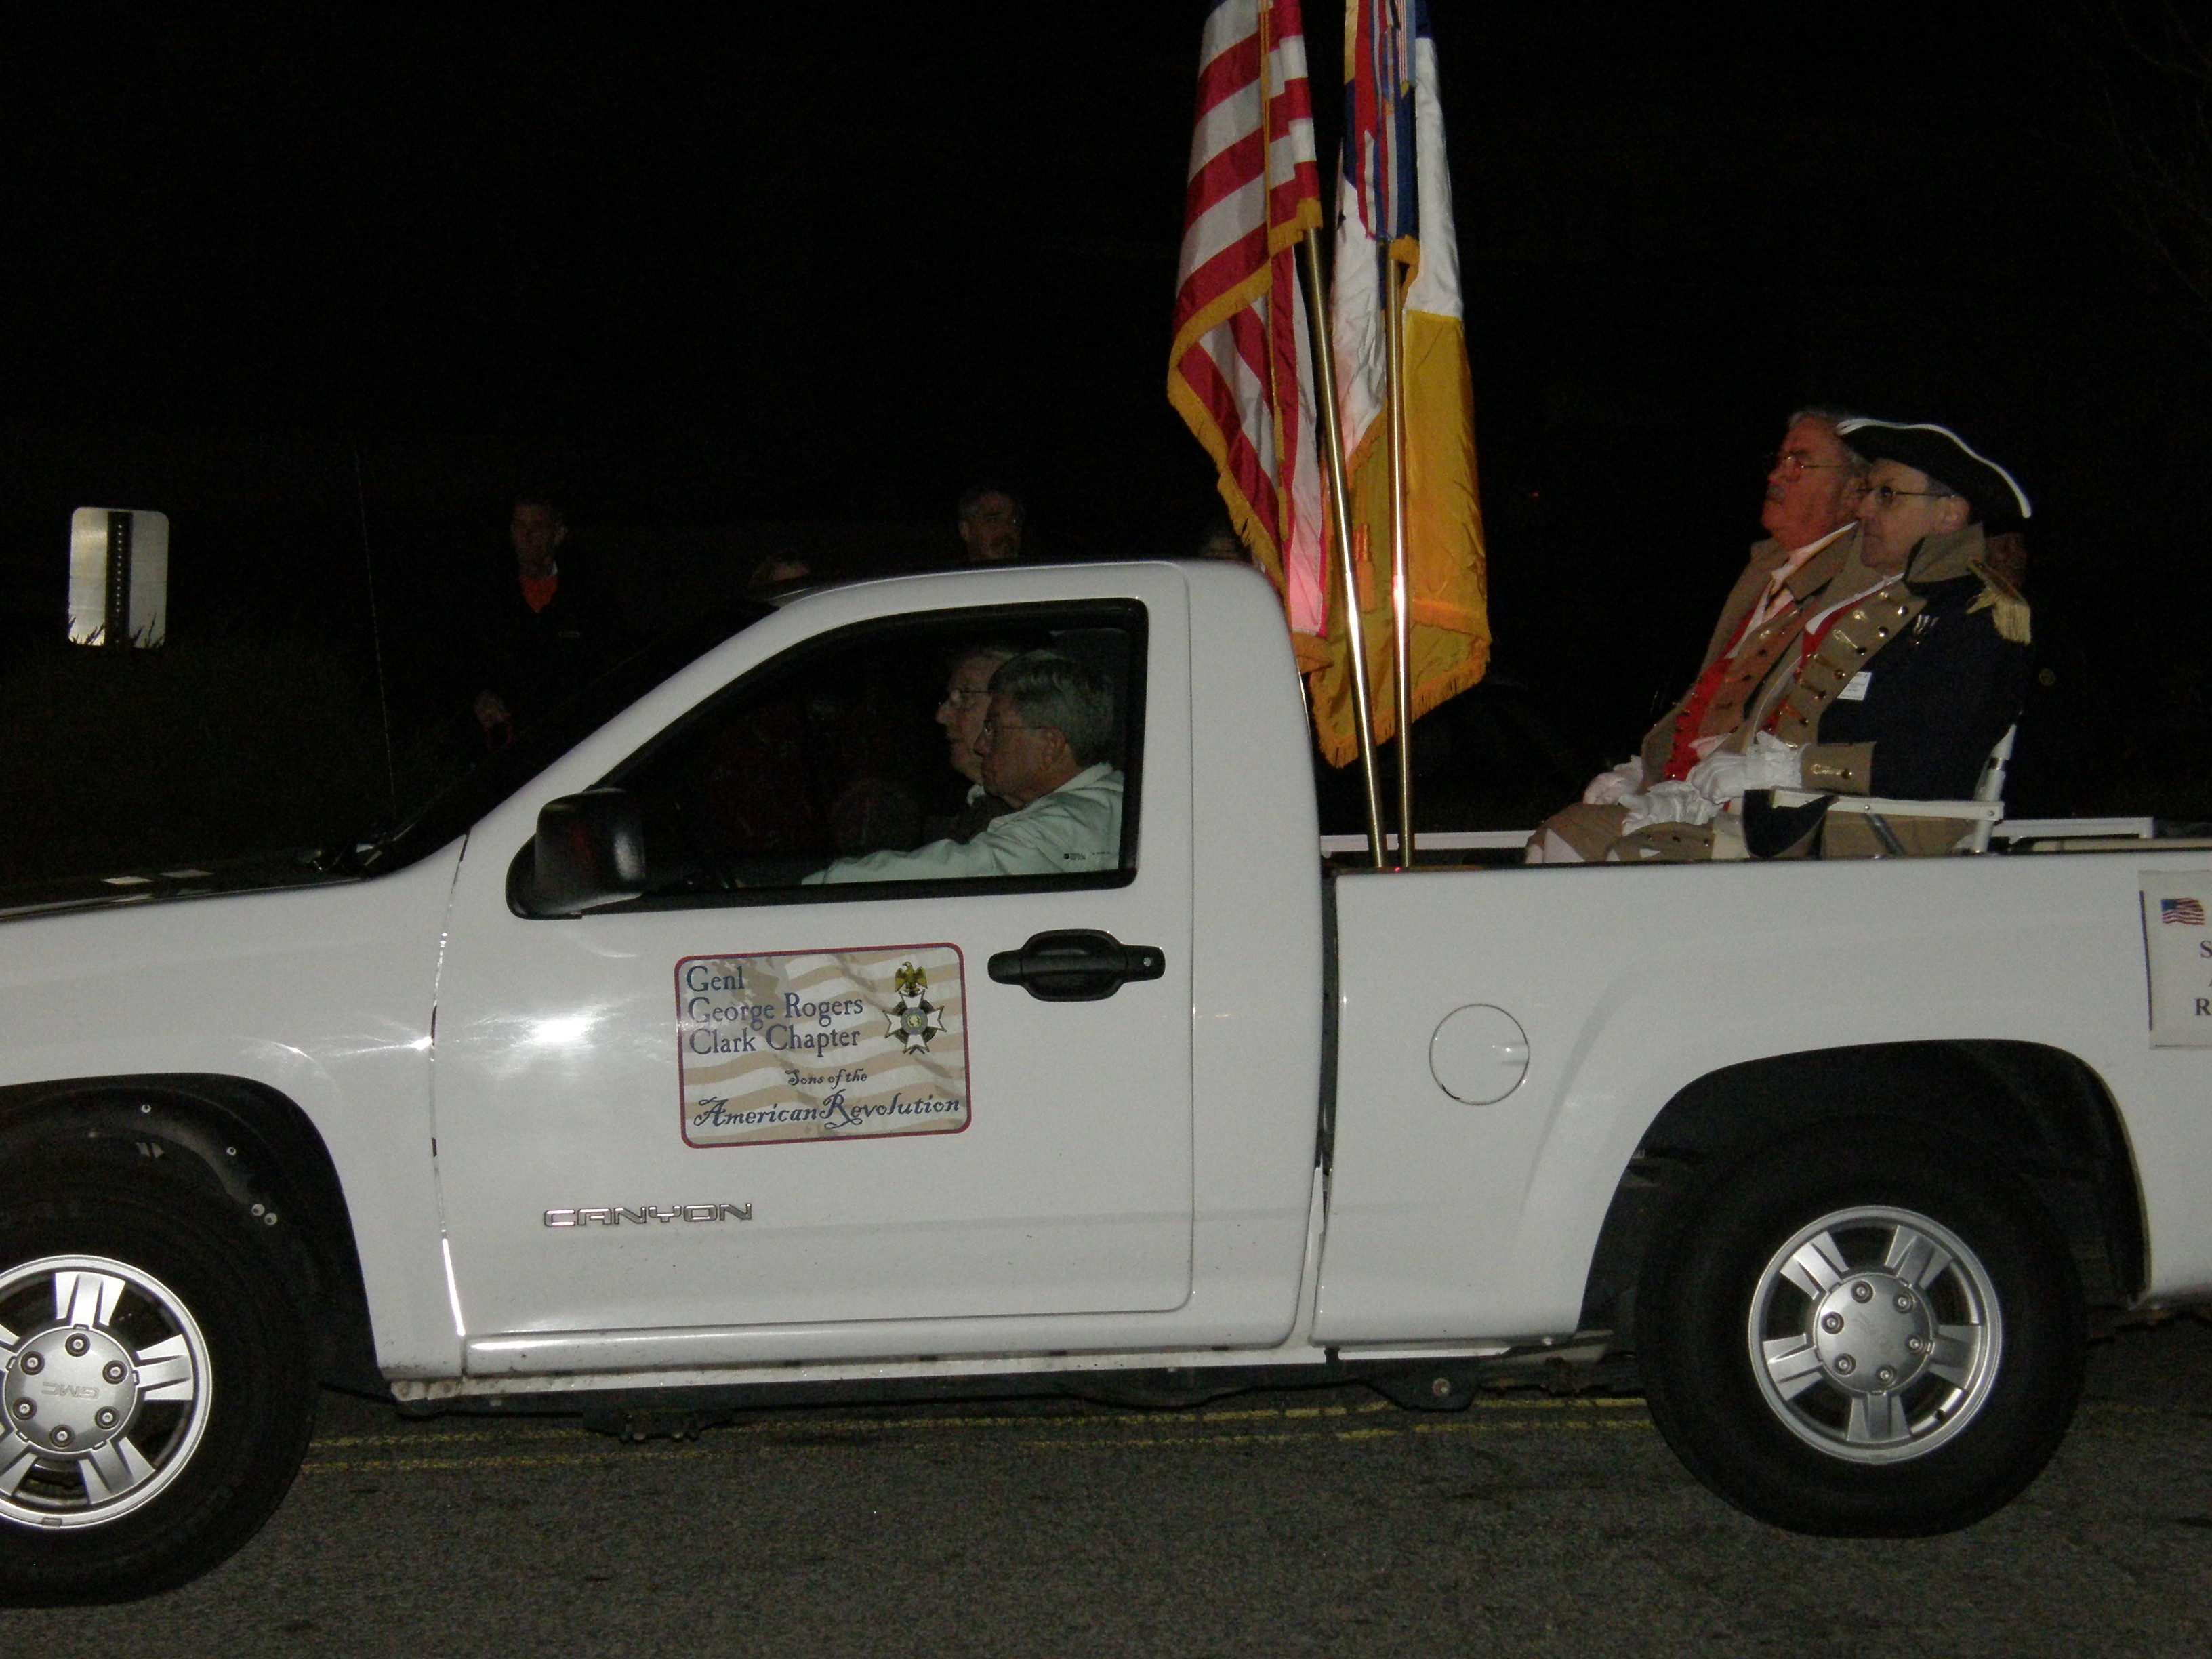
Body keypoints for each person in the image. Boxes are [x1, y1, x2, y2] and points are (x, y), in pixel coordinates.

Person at [1528, 409, 1870, 862]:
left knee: (1573, 842)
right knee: (1558, 838)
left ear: (1852, 493)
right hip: (1685, 790)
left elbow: (1788, 722)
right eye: (1780, 458)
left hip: (1749, 810)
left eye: (1800, 463)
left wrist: (1691, 787)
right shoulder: (1767, 569)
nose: (1777, 475)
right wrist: (1644, 769)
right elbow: (1710, 694)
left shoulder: (1850, 583)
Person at [1689, 417, 2033, 858]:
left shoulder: (1980, 615)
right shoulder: (1890, 604)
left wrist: (1796, 768)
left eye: (1887, 495)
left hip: (1873, 839)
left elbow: (1933, 763)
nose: (1864, 509)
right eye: (1869, 492)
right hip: (1800, 821)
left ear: (1948, 513)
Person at [806, 651, 1120, 884]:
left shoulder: (1074, 823)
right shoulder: (1096, 806)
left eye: (994, 729)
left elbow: (967, 870)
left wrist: (819, 885)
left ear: (1051, 744)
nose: (982, 746)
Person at [470, 495, 626, 746]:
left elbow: (610, 673)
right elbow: (466, 664)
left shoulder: (587, 599)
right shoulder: (491, 597)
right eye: (520, 526)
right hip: (509, 749)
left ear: (558, 534)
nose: (527, 536)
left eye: (537, 527)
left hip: (573, 745)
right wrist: (479, 697)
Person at [924, 641, 1021, 842]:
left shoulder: (1040, 820)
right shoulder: (981, 806)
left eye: (965, 698)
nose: (941, 716)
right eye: (948, 700)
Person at [956, 486, 1026, 565]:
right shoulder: (950, 575)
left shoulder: (1034, 574)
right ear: (966, 531)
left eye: (1015, 521)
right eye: (993, 520)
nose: (1008, 529)